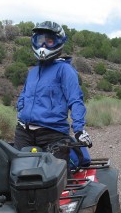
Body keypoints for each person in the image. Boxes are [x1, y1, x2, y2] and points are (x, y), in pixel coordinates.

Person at [15, 21, 92, 163]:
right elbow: (24, 96)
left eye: (49, 41)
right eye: (40, 40)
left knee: (55, 177)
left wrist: (79, 129)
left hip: (52, 133)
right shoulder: (33, 72)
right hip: (24, 133)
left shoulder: (65, 70)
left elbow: (75, 100)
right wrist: (20, 111)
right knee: (18, 175)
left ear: (58, 42)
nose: (43, 46)